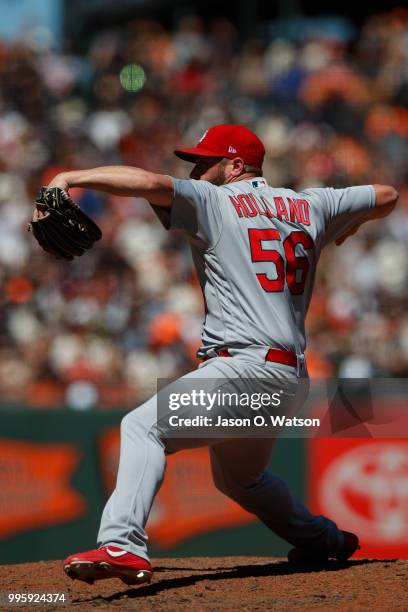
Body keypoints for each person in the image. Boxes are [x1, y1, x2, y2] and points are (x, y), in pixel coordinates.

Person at [54, 124, 398, 585]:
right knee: (239, 480)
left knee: (142, 426)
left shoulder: (215, 200)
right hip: (290, 380)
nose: (196, 170)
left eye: (205, 161)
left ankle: (123, 543)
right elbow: (387, 194)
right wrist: (350, 223)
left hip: (245, 369)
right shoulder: (312, 204)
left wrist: (72, 176)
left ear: (235, 166)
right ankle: (325, 540)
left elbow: (152, 183)